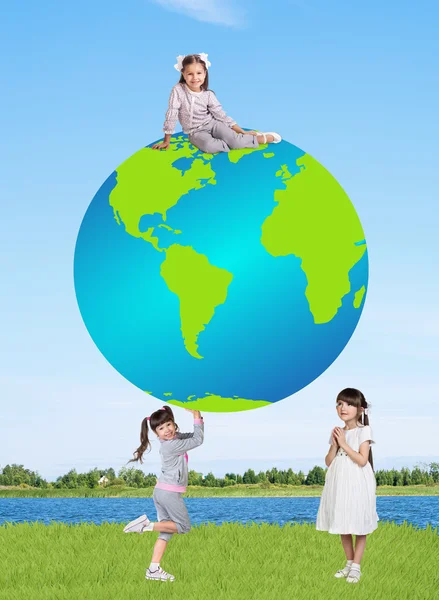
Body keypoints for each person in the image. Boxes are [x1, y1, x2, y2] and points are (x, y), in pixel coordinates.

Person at [123, 405, 204, 582]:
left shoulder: (173, 440)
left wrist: (199, 419)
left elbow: (191, 437)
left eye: (168, 425)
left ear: (174, 424)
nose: (166, 430)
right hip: (169, 493)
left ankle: (153, 570)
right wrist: (196, 416)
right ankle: (145, 526)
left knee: (166, 531)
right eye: (161, 428)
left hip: (160, 491)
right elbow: (198, 440)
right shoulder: (171, 446)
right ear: (156, 434)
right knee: (183, 527)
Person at [152, 53, 282, 153]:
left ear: (204, 74)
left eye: (198, 73)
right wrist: (166, 140)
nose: (195, 77)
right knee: (209, 146)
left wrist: (242, 131)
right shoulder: (178, 90)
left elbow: (221, 115)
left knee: (235, 141)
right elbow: (172, 113)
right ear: (183, 74)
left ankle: (262, 138)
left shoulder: (208, 95)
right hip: (195, 132)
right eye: (190, 74)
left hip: (213, 124)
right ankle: (232, 142)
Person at [316, 388, 378, 584]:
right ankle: (349, 563)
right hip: (338, 480)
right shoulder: (338, 432)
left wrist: (343, 443)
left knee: (359, 523)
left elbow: (362, 460)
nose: (343, 408)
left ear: (360, 409)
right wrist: (335, 443)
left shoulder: (364, 431)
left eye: (349, 404)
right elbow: (328, 461)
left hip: (357, 480)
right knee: (342, 522)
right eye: (340, 404)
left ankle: (357, 567)